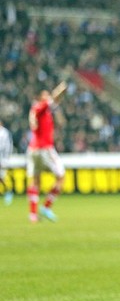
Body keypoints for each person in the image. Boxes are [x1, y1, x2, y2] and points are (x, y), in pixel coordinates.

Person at [26, 81, 68, 222]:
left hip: (33, 149)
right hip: (45, 149)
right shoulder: (42, 107)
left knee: (35, 181)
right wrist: (61, 87)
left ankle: (33, 214)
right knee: (61, 177)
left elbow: (34, 118)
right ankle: (47, 207)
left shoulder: (36, 109)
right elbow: (55, 97)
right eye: (45, 95)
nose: (47, 97)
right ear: (40, 97)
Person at [0, 120, 14, 205]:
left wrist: (6, 158)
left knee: (2, 176)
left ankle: (9, 191)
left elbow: (7, 146)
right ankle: (8, 191)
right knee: (1, 177)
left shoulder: (4, 132)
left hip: (2, 158)